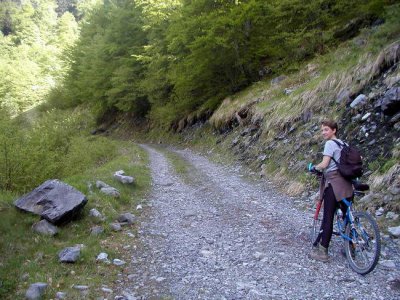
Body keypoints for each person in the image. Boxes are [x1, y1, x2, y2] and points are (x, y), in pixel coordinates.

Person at [308, 120, 353, 262]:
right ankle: (351, 247)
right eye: (322, 130)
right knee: (348, 217)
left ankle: (323, 252)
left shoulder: (330, 144)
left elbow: (325, 164)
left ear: (334, 130)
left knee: (328, 217)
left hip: (334, 184)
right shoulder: (344, 144)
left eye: (326, 130)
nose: (323, 133)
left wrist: (314, 167)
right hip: (348, 185)